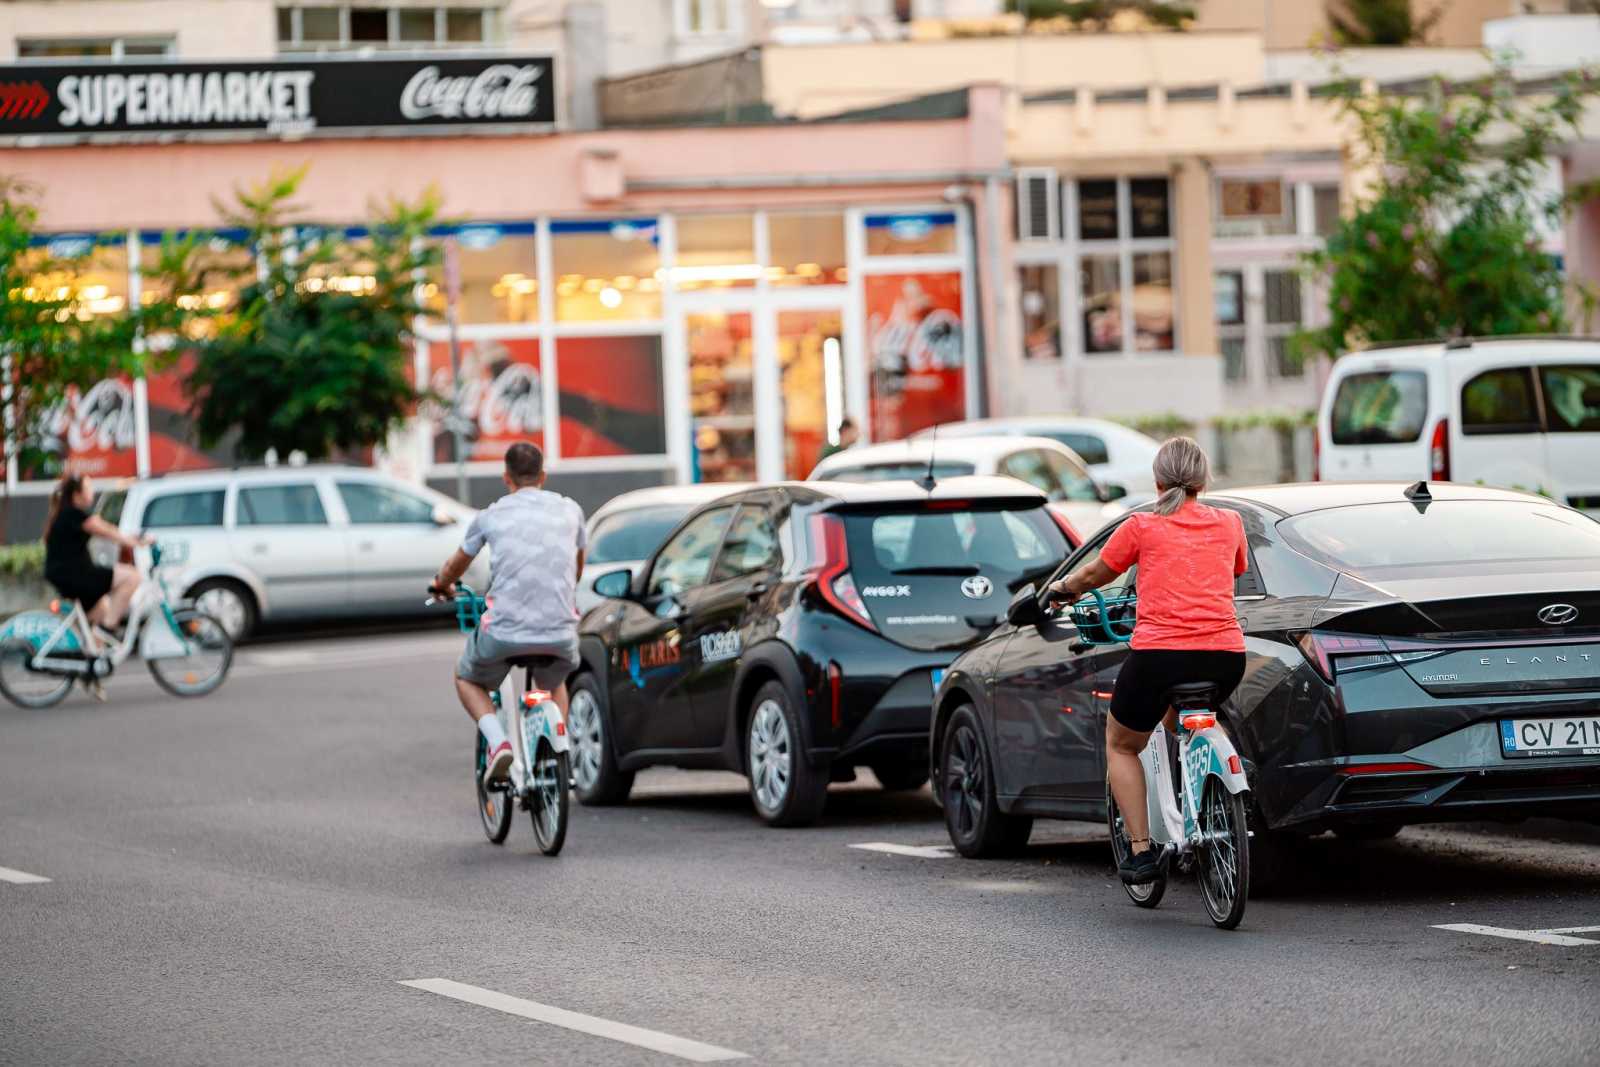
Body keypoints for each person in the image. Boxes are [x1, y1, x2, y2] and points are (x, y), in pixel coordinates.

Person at [1047, 436, 1247, 886]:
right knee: (1190, 718)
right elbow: (1234, 569)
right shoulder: (1231, 523)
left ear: (1157, 480)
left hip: (1160, 656)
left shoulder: (1142, 525)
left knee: (1121, 743)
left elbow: (1097, 572)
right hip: (1225, 656)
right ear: (1203, 479)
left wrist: (1063, 590)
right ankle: (1207, 798)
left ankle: (1141, 851)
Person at [431, 442, 586, 786]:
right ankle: (555, 758)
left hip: (504, 632)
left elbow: (457, 564)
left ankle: (499, 742)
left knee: (466, 677)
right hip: (560, 633)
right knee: (554, 682)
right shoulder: (571, 510)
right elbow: (576, 568)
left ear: (506, 478)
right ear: (543, 476)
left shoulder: (491, 515)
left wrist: (441, 584)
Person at [43, 472, 150, 638]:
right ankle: (107, 629)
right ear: (77, 494)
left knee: (103, 610)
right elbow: (107, 530)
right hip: (75, 575)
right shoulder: (74, 514)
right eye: (88, 488)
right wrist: (136, 542)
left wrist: (132, 539)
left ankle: (93, 652)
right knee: (132, 577)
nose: (92, 492)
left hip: (67, 575)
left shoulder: (65, 513)